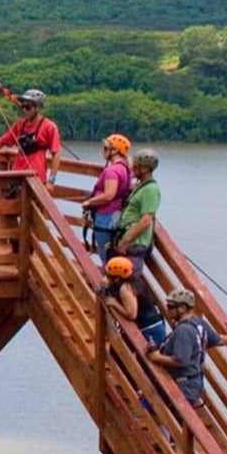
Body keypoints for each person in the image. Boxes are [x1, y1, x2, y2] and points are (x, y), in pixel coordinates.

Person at [146, 289, 227, 408]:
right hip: (192, 385)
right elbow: (218, 340)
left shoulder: (183, 331)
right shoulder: (199, 323)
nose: (168, 309)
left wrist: (156, 357)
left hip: (181, 388)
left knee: (146, 409)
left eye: (171, 307)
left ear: (182, 308)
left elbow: (180, 360)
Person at [0, 88, 61, 183]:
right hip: (17, 175)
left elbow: (56, 154)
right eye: (22, 107)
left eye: (28, 107)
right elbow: (2, 141)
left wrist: (51, 181)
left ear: (38, 108)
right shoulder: (20, 125)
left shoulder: (49, 127)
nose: (24, 110)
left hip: (36, 178)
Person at [81, 134, 132, 265]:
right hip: (116, 215)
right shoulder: (125, 168)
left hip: (106, 217)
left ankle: (108, 282)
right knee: (112, 255)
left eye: (105, 148)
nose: (102, 151)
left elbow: (109, 195)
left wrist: (89, 202)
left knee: (106, 256)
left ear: (114, 151)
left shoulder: (112, 171)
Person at [112, 148, 162, 278]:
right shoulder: (141, 186)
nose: (132, 169)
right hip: (126, 237)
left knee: (129, 282)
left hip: (135, 243)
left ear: (145, 169)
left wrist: (126, 240)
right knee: (118, 279)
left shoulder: (151, 190)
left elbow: (146, 220)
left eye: (135, 167)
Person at [99, 255, 167, 349]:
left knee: (122, 355)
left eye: (109, 275)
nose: (106, 277)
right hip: (154, 326)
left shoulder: (126, 288)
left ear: (116, 277)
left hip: (149, 330)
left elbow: (132, 314)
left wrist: (114, 303)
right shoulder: (135, 282)